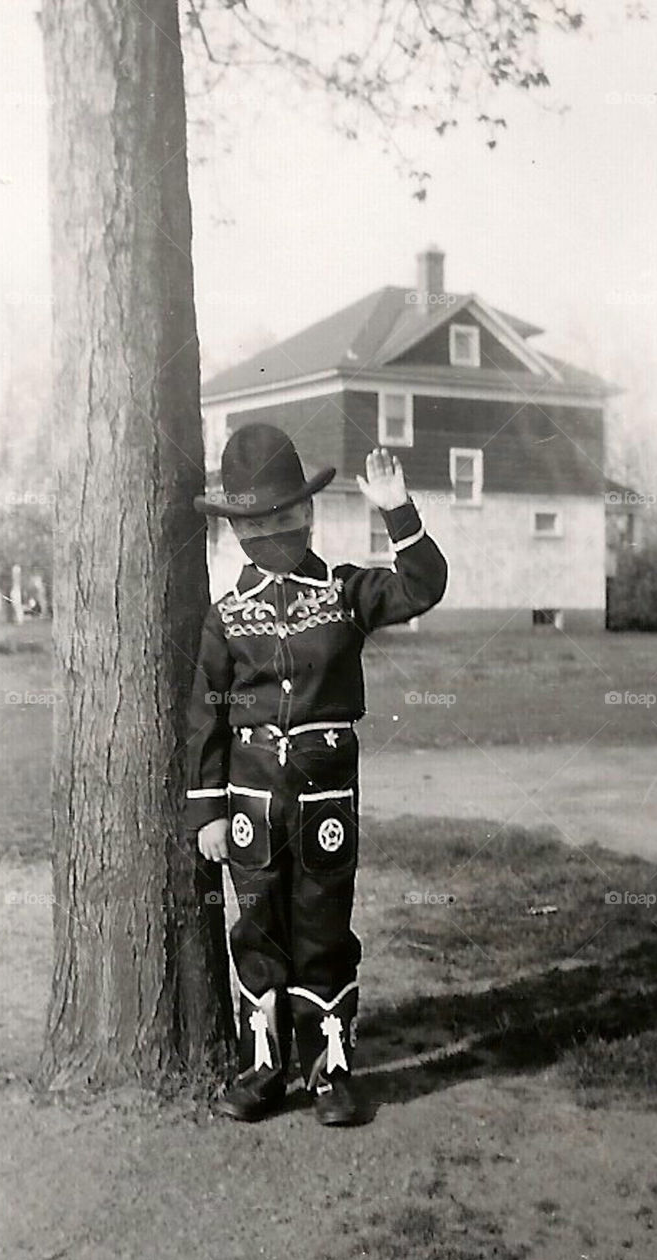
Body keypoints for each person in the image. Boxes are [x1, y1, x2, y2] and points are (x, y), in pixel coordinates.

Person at [185, 422, 447, 1125]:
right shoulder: (226, 615)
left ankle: (330, 1072)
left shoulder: (345, 592)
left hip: (326, 797)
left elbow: (423, 587)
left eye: (287, 513)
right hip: (249, 804)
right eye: (258, 520)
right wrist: (208, 811)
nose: (275, 528)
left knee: (323, 929)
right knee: (259, 931)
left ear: (309, 511)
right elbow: (205, 714)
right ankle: (265, 1068)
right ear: (237, 527)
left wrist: (396, 507)